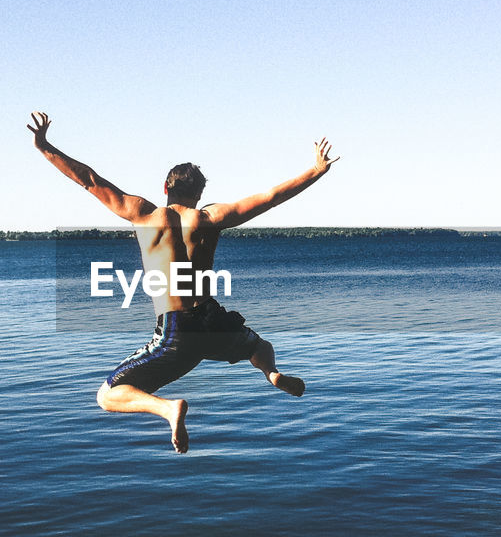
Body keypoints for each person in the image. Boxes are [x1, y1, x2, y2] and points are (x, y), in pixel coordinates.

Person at [27, 111, 339, 453]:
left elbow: (89, 179)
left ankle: (167, 408)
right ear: (201, 191)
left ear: (165, 188)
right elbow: (270, 197)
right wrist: (315, 171)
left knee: (107, 395)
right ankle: (271, 374)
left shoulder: (145, 215)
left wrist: (45, 147)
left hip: (177, 330)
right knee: (260, 348)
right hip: (213, 320)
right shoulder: (211, 218)